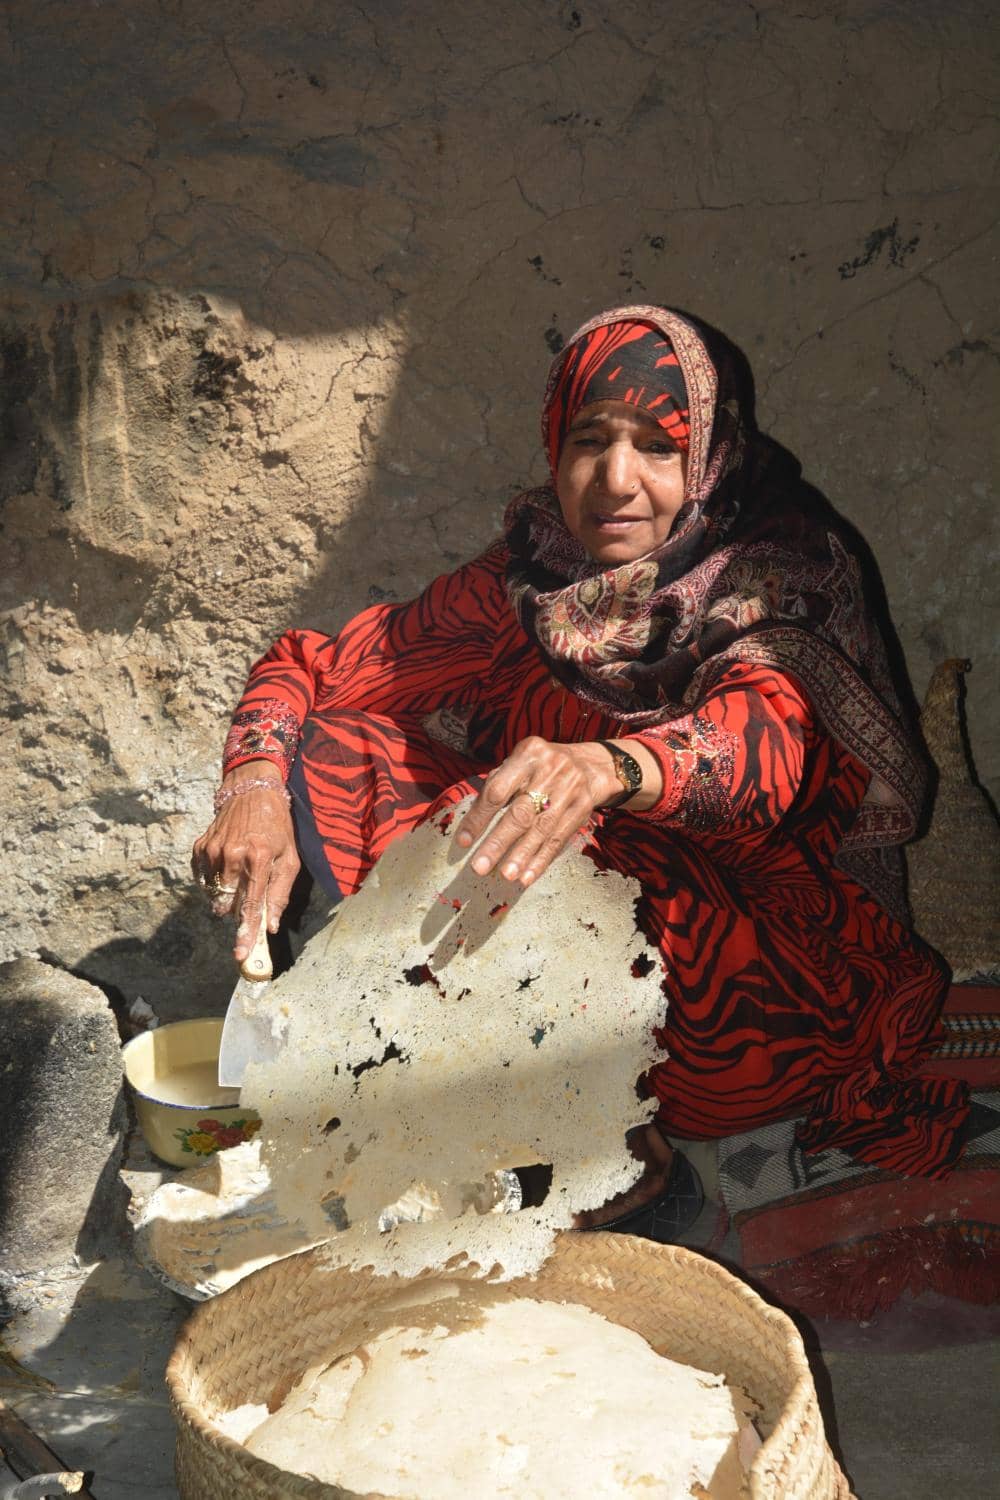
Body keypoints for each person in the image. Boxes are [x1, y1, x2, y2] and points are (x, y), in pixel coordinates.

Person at [192, 305, 968, 1240]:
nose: (616, 480)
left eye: (658, 447)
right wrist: (254, 786)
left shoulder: (776, 574)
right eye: (591, 440)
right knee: (343, 745)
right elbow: (319, 668)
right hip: (586, 950)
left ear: (709, 457)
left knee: (535, 828)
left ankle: (624, 1159)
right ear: (555, 445)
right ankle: (507, 1089)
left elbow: (763, 750)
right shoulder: (537, 572)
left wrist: (609, 767)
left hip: (767, 989)